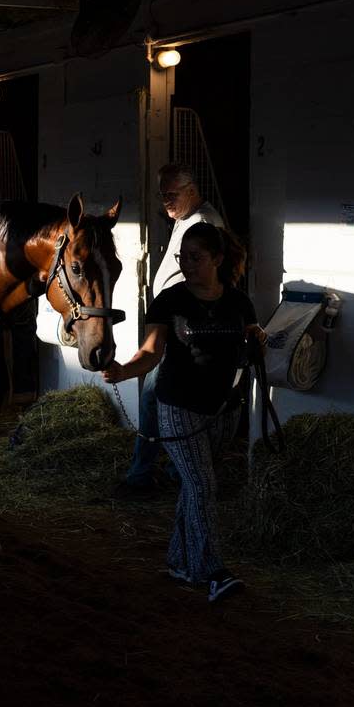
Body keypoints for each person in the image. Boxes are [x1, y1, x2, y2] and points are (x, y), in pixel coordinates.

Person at [102, 222, 264, 603]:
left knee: (195, 488)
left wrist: (257, 338)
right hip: (177, 406)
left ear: (217, 259)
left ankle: (178, 560)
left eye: (196, 258)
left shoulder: (238, 302)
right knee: (203, 486)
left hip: (223, 408)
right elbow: (152, 352)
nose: (187, 264)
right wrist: (125, 370)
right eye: (182, 257)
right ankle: (212, 572)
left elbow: (253, 335)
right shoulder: (172, 300)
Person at [115, 164, 225, 498]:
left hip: (184, 328)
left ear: (191, 189)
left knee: (154, 398)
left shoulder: (203, 224)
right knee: (162, 400)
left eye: (171, 194)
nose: (165, 202)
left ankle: (144, 476)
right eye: (162, 195)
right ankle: (171, 472)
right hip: (177, 325)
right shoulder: (185, 221)